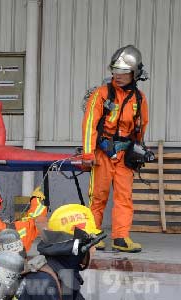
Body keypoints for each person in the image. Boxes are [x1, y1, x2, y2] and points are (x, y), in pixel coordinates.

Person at [82, 45, 149, 252]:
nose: (118, 76)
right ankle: (94, 234)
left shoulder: (139, 98)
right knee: (98, 196)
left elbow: (141, 126)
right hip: (102, 153)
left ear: (134, 73)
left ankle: (121, 237)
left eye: (123, 72)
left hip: (124, 155)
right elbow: (90, 124)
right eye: (115, 71)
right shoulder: (101, 94)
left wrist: (137, 153)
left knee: (124, 197)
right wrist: (87, 153)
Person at [16, 204, 103, 300]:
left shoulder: (65, 272)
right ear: (79, 247)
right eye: (91, 244)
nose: (94, 249)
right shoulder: (44, 283)